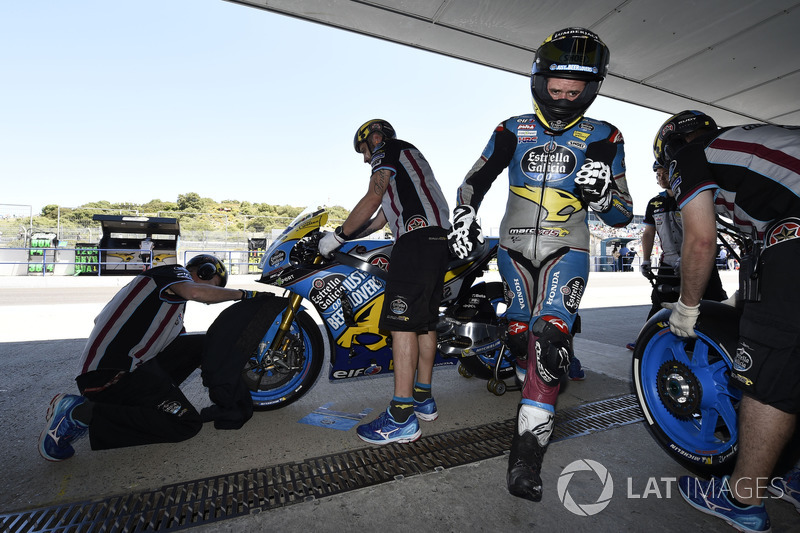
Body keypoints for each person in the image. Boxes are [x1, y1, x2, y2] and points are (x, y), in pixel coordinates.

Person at [448, 27, 633, 502]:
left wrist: (604, 194)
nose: (566, 99)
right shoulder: (511, 129)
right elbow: (474, 180)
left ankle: (526, 460)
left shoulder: (605, 135)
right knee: (518, 333)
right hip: (511, 250)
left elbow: (622, 214)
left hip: (567, 249)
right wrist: (464, 213)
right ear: (539, 80)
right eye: (557, 90)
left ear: (591, 90)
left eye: (576, 92)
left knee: (550, 338)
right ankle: (515, 362)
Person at [653, 110, 800, 531]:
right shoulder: (757, 147)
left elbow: (700, 239)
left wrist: (686, 306)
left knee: (773, 381)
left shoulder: (692, 155)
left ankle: (742, 500)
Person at [38, 254, 263, 461]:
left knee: (204, 343)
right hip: (109, 376)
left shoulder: (167, 313)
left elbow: (191, 352)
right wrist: (244, 294)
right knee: (186, 424)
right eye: (212, 287)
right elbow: (194, 292)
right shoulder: (171, 273)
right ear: (203, 271)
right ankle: (81, 413)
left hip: (132, 374)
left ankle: (126, 406)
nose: (208, 299)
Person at [318, 119, 451, 445]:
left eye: (363, 150)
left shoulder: (388, 149)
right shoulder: (406, 166)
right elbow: (380, 219)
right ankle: (422, 397)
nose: (365, 158)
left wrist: (337, 235)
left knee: (402, 324)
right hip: (436, 240)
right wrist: (346, 237)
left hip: (415, 239)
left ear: (374, 138)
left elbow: (373, 195)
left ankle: (401, 416)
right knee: (424, 323)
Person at [625, 161, 727, 350]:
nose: (661, 178)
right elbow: (648, 233)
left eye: (665, 174)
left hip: (698, 259)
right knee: (659, 302)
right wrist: (646, 260)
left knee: (713, 300)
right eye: (658, 175)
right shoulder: (654, 203)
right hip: (668, 261)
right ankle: (645, 340)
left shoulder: (691, 197)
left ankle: (721, 341)